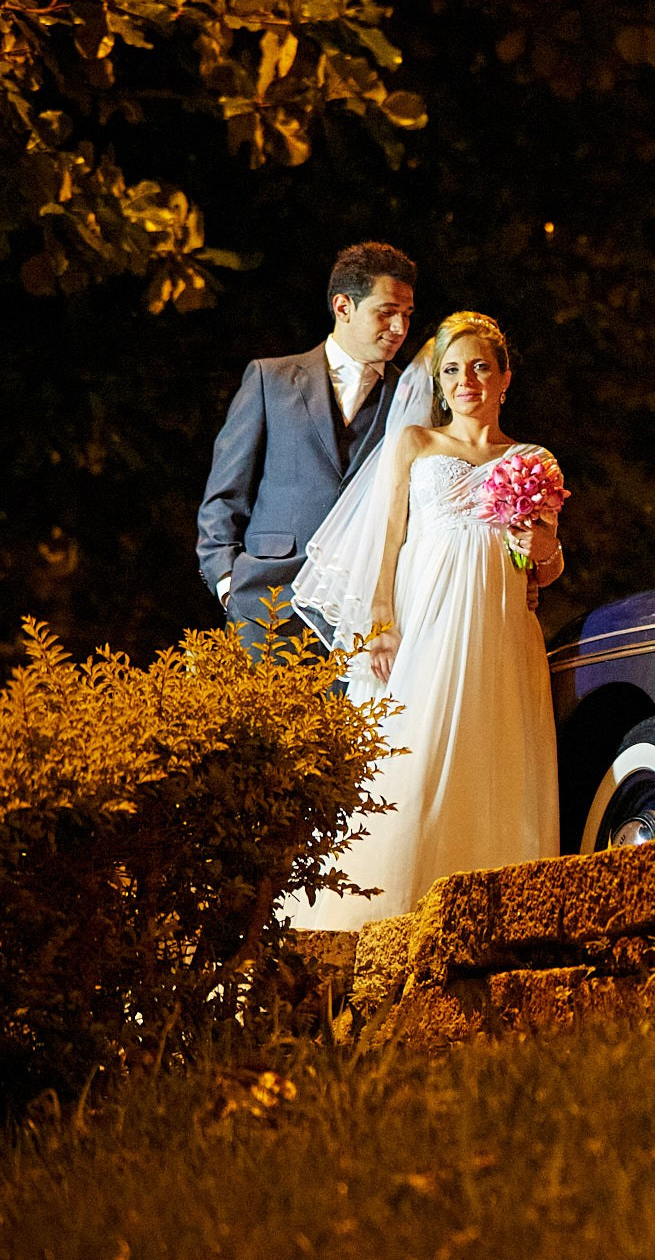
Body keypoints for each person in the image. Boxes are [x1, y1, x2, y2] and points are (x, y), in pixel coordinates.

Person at [284, 312, 566, 929]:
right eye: (453, 370)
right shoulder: (414, 443)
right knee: (413, 748)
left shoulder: (533, 459)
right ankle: (384, 911)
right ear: (439, 384)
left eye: (480, 367)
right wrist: (380, 617)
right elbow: (388, 537)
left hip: (499, 623)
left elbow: (544, 569)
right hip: (426, 617)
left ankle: (495, 913)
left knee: (492, 751)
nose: (467, 380)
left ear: (504, 378)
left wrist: (537, 536)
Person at [197, 242, 416, 652]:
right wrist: (227, 583)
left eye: (406, 315)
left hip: (363, 616)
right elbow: (224, 496)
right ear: (343, 306)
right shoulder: (270, 379)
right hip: (266, 605)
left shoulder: (411, 398)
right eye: (386, 312)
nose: (399, 329)